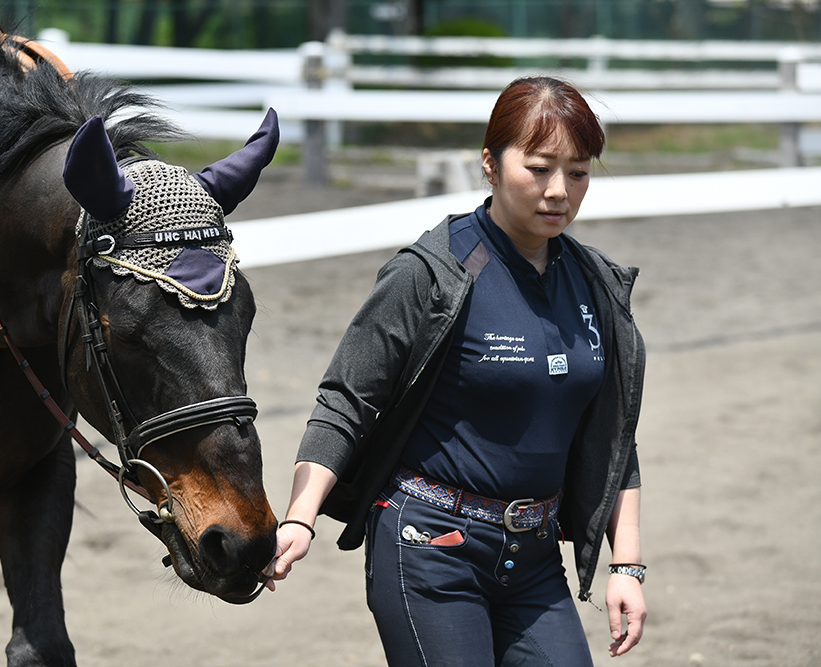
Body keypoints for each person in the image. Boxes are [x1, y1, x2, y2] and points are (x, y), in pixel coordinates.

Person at [267, 76, 647, 666]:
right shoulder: (431, 273)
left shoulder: (596, 283)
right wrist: (300, 517)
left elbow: (615, 433)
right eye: (540, 167)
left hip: (536, 557)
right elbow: (346, 399)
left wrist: (625, 565)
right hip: (428, 547)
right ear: (491, 165)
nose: (559, 191)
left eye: (578, 172)